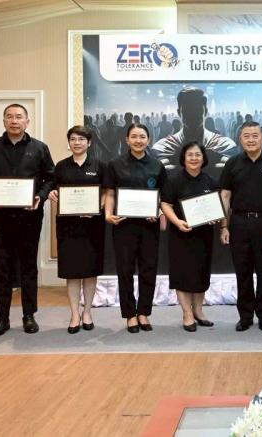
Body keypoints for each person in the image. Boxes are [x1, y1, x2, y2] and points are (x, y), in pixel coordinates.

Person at [0, 104, 55, 337]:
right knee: (1, 268)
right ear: (3, 121)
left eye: (19, 117)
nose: (14, 121)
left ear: (27, 122)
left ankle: (29, 315)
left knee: (28, 267)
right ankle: (2, 318)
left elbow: (50, 178)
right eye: (10, 117)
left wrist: (40, 197)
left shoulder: (39, 148)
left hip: (29, 217)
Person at [219, 121, 262, 332]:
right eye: (246, 136)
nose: (251, 139)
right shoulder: (232, 163)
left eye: (255, 135)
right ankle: (245, 316)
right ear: (240, 139)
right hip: (238, 223)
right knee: (243, 272)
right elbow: (225, 196)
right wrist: (223, 226)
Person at [103, 124, 167, 333]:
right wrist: (108, 214)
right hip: (123, 225)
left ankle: (144, 313)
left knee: (149, 269)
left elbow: (163, 197)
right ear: (127, 139)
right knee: (125, 270)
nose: (138, 140)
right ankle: (130, 314)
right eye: (134, 136)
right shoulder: (115, 164)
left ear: (149, 139)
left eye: (142, 137)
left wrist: (157, 211)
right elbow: (110, 193)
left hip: (149, 226)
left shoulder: (157, 165)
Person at [48, 125, 106, 334]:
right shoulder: (61, 166)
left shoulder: (99, 166)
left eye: (81, 139)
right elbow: (53, 189)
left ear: (89, 142)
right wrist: (52, 194)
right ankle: (74, 314)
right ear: (69, 142)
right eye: (73, 139)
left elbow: (107, 193)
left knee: (90, 271)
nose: (77, 143)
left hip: (92, 226)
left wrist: (97, 205)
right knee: (72, 272)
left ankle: (87, 312)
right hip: (68, 227)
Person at [161, 142, 218, 332]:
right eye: (190, 155)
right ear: (183, 158)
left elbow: (217, 206)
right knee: (182, 274)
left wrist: (215, 217)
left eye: (198, 154)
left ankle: (199, 312)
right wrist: (177, 222)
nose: (194, 158)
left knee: (201, 273)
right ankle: (187, 313)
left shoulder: (210, 181)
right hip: (180, 235)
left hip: (204, 236)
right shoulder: (174, 181)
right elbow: (165, 204)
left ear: (203, 158)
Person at [151, 87, 236, 170]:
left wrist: (175, 160)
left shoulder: (225, 145)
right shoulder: (161, 147)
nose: (192, 115)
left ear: (205, 112)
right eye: (187, 110)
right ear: (179, 112)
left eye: (197, 110)